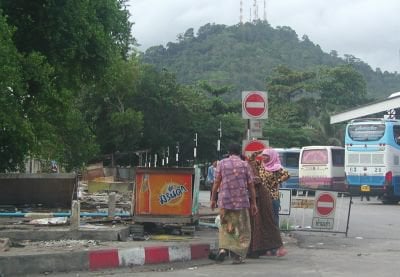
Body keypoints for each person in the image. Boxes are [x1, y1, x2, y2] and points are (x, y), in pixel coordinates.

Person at [210, 143, 258, 264]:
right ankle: (237, 256)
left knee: (226, 226)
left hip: (225, 201)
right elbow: (251, 186)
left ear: (229, 152)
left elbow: (216, 183)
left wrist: (213, 199)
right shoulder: (245, 164)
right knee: (241, 229)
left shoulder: (222, 163)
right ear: (239, 152)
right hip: (241, 201)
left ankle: (222, 250)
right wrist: (254, 203)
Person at [246, 148, 289, 258]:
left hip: (272, 197)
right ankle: (266, 247)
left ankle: (276, 247)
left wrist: (276, 182)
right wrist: (257, 152)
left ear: (272, 157)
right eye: (263, 156)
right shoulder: (260, 165)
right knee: (263, 222)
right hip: (261, 198)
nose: (264, 158)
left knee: (273, 221)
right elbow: (249, 160)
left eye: (266, 156)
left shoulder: (277, 167)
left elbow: (287, 175)